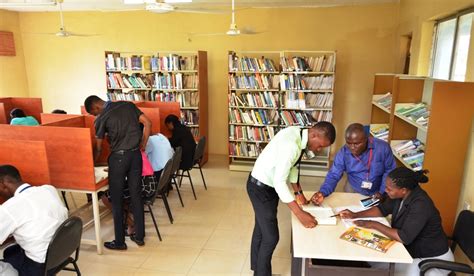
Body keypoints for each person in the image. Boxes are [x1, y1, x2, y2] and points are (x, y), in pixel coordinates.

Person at [248, 122, 336, 276]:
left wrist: (298, 192)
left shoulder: (300, 134)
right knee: (271, 237)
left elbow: (293, 166)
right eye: (320, 145)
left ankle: (258, 270)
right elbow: (279, 182)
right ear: (314, 135)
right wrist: (300, 213)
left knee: (261, 229)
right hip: (260, 188)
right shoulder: (291, 146)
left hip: (267, 186)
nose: (319, 149)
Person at [339, 167, 454, 276]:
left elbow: (404, 237)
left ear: (403, 190)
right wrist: (355, 215)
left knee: (381, 270)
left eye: (389, 189)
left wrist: (373, 224)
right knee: (373, 262)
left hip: (431, 260)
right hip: (411, 252)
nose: (385, 190)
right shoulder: (401, 195)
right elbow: (382, 210)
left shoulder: (421, 204)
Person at [84, 95, 151, 250]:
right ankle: (139, 237)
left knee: (116, 199)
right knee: (136, 196)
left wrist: (91, 165)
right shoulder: (128, 105)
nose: (95, 116)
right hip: (135, 156)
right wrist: (143, 145)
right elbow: (148, 123)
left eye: (94, 113)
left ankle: (120, 242)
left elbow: (99, 148)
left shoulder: (101, 119)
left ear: (95, 107)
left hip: (118, 158)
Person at [0, 165, 68, 275]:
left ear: (3, 184)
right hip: (62, 255)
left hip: (38, 268)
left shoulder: (10, 208)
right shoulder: (49, 189)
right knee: (10, 252)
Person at [311, 123, 395, 205]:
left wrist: (382, 191)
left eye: (356, 144)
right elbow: (334, 175)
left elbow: (390, 170)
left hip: (378, 190)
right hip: (353, 188)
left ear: (366, 139)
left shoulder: (383, 148)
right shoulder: (343, 153)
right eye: (349, 143)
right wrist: (323, 192)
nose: (352, 147)